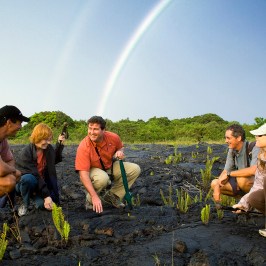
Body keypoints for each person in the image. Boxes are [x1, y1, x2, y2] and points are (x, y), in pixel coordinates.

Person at [75, 116, 141, 213]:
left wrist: (119, 152)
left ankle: (113, 196)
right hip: (93, 170)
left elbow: (120, 147)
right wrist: (94, 197)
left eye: (96, 129)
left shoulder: (113, 137)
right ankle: (90, 201)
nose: (92, 132)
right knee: (102, 179)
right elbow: (83, 174)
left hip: (109, 166)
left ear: (103, 130)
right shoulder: (84, 146)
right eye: (90, 128)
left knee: (135, 169)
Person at [15, 123, 65, 216]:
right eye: (46, 139)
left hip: (40, 184)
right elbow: (35, 175)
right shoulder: (26, 153)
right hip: (23, 184)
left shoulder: (48, 148)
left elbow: (55, 159)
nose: (49, 142)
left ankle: (34, 196)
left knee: (44, 206)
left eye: (50, 139)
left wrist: (59, 144)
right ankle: (25, 203)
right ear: (37, 137)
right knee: (28, 179)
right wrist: (46, 196)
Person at [211, 124, 259, 203]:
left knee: (241, 180)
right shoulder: (232, 150)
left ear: (239, 138)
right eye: (225, 138)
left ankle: (256, 202)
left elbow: (253, 170)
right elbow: (225, 171)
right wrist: (216, 188)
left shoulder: (254, 147)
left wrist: (230, 174)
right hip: (243, 183)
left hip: (259, 183)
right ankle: (244, 201)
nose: (226, 141)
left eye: (228, 138)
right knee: (214, 183)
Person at [232, 123, 266, 237]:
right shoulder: (262, 157)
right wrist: (243, 204)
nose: (256, 137)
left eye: (260, 135)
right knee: (254, 198)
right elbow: (258, 184)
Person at [0, 105, 30, 208]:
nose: (21, 127)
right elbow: (1, 169)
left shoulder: (3, 140)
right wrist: (11, 170)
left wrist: (10, 170)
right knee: (8, 181)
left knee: (16, 175)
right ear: (8, 122)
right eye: (19, 123)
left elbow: (10, 159)